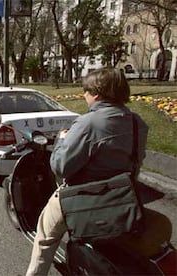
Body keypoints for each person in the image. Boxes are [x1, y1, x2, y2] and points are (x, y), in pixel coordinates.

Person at [26, 67, 149, 275]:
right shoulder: (137, 123)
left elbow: (60, 166)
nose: (84, 95)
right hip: (122, 196)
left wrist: (61, 140)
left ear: (97, 94)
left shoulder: (88, 123)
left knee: (44, 238)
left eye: (86, 91)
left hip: (85, 197)